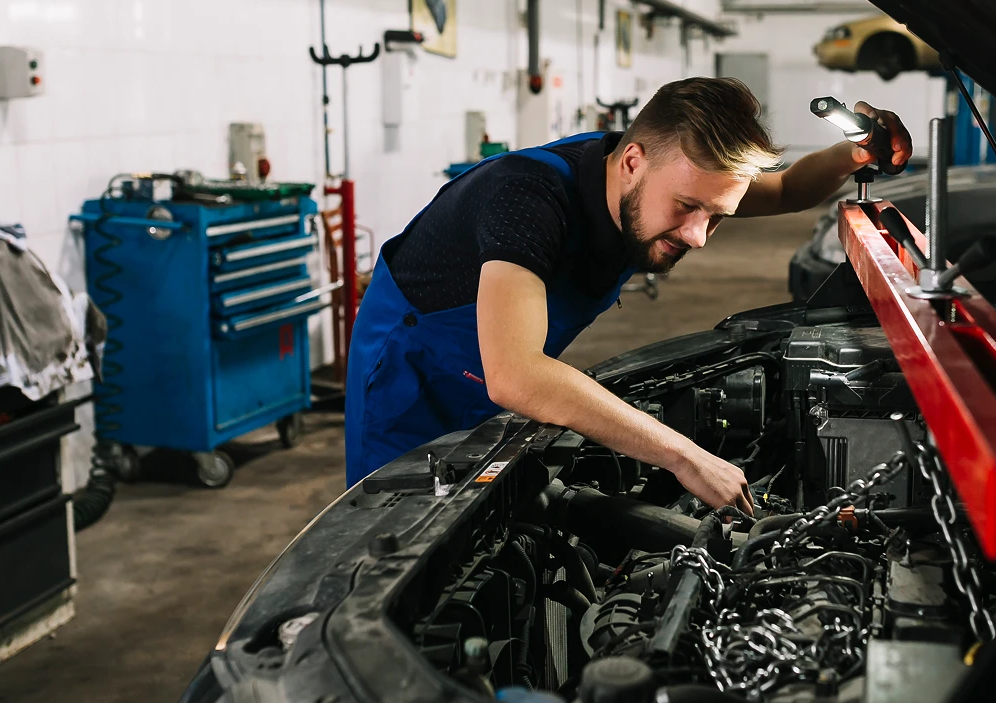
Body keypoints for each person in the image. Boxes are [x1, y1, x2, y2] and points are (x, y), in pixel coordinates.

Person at [345, 77, 912, 515]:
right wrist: (686, 456)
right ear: (634, 159)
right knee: (399, 542)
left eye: (718, 216)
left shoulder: (657, 174)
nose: (697, 235)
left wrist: (853, 153)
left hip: (496, 376)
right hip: (412, 382)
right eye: (688, 207)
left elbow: (788, 187)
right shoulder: (526, 200)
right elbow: (516, 375)